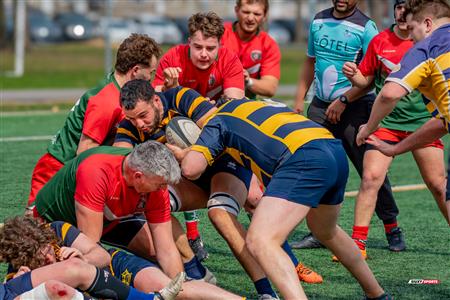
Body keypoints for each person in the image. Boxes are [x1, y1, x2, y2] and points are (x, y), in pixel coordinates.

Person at [167, 97, 390, 299]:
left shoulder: (219, 119)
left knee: (260, 240)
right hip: (332, 149)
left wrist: (185, 152)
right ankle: (377, 294)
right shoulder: (261, 104)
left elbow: (191, 169)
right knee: (325, 231)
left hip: (303, 157)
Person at [114, 79, 308, 298]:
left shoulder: (180, 97)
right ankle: (193, 268)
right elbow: (120, 159)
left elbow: (219, 129)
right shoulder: (129, 127)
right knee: (154, 200)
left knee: (219, 213)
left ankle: (266, 291)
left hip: (225, 166)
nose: (139, 124)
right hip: (190, 180)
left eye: (143, 115)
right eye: (132, 118)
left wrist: (186, 154)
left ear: (156, 100)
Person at [340, 0, 448, 259]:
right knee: (371, 178)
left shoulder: (426, 46)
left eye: (414, 29)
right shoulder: (381, 41)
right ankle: (358, 243)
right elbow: (443, 122)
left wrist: (368, 127)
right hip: (393, 126)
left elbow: (389, 95)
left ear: (427, 23)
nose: (411, 36)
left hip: (413, 122)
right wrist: (395, 147)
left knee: (439, 184)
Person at [292, 0, 403, 251]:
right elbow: (310, 62)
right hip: (320, 107)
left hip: (357, 108)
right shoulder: (318, 20)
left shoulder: (366, 28)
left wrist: (344, 100)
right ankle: (320, 231)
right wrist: (299, 102)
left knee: (371, 172)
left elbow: (371, 76)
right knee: (314, 165)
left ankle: (391, 226)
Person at [26, 33, 161, 211]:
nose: (151, 78)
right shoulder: (107, 101)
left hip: (65, 168)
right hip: (56, 170)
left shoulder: (121, 90)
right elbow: (85, 153)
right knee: (33, 232)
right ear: (135, 70)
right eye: (150, 73)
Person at [153, 12, 245, 258]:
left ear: (220, 45)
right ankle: (189, 240)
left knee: (255, 195)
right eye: (198, 47)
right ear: (188, 43)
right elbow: (155, 107)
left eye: (210, 48)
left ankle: (272, 248)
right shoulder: (172, 58)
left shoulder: (229, 59)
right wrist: (169, 90)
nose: (204, 53)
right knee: (171, 180)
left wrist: (206, 110)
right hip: (179, 132)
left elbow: (234, 104)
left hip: (217, 129)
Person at [32, 141, 188, 281]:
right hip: (56, 221)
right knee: (80, 266)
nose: (163, 189)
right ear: (138, 176)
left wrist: (180, 288)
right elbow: (92, 249)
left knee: (156, 251)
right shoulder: (96, 171)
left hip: (110, 216)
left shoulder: (155, 184)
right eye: (160, 185)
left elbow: (166, 249)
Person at [0, 216, 240, 300]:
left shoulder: (56, 230)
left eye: (48, 253)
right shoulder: (17, 274)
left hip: (112, 268)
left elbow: (102, 256)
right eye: (41, 263)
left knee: (172, 289)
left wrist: (81, 256)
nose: (49, 262)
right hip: (88, 292)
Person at [221, 0, 280, 99]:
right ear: (236, 10)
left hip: (246, 105)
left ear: (265, 16)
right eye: (246, 12)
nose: (250, 18)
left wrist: (248, 80)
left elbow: (270, 87)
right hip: (212, 102)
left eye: (257, 14)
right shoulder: (219, 35)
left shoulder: (269, 45)